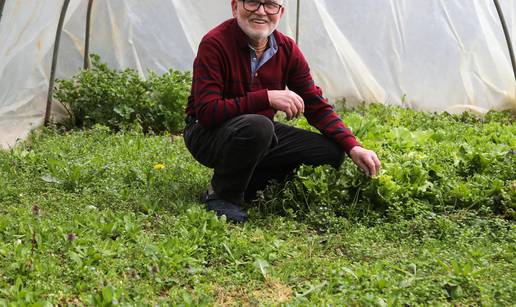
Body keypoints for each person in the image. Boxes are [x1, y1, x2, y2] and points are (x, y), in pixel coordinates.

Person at [184, 0, 381, 222]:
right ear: (235, 6)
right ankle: (221, 195)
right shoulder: (215, 43)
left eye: (270, 5)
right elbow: (207, 112)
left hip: (255, 132)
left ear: (281, 12)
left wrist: (353, 146)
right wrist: (267, 97)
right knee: (259, 126)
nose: (261, 12)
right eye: (252, 3)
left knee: (331, 152)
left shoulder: (286, 49)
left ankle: (249, 184)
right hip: (206, 133)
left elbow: (315, 105)